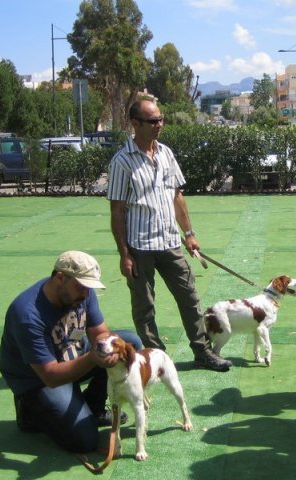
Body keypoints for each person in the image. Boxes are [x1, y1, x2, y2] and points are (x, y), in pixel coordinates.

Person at [107, 98, 232, 372]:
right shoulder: (122, 161)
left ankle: (202, 351)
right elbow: (117, 211)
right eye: (152, 121)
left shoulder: (165, 153)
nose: (159, 125)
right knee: (144, 307)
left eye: (160, 119)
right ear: (135, 123)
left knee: (189, 297)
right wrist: (124, 254)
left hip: (169, 242)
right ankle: (156, 360)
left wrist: (189, 233)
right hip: (139, 246)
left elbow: (177, 195)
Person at [0, 250, 142, 454]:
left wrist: (105, 347)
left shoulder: (83, 292)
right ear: (59, 278)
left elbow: (100, 333)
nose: (85, 294)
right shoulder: (27, 314)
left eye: (88, 288)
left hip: (70, 350)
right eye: (81, 287)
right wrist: (94, 357)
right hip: (36, 378)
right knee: (84, 441)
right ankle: (29, 412)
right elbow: (50, 375)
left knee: (129, 345)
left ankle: (94, 407)